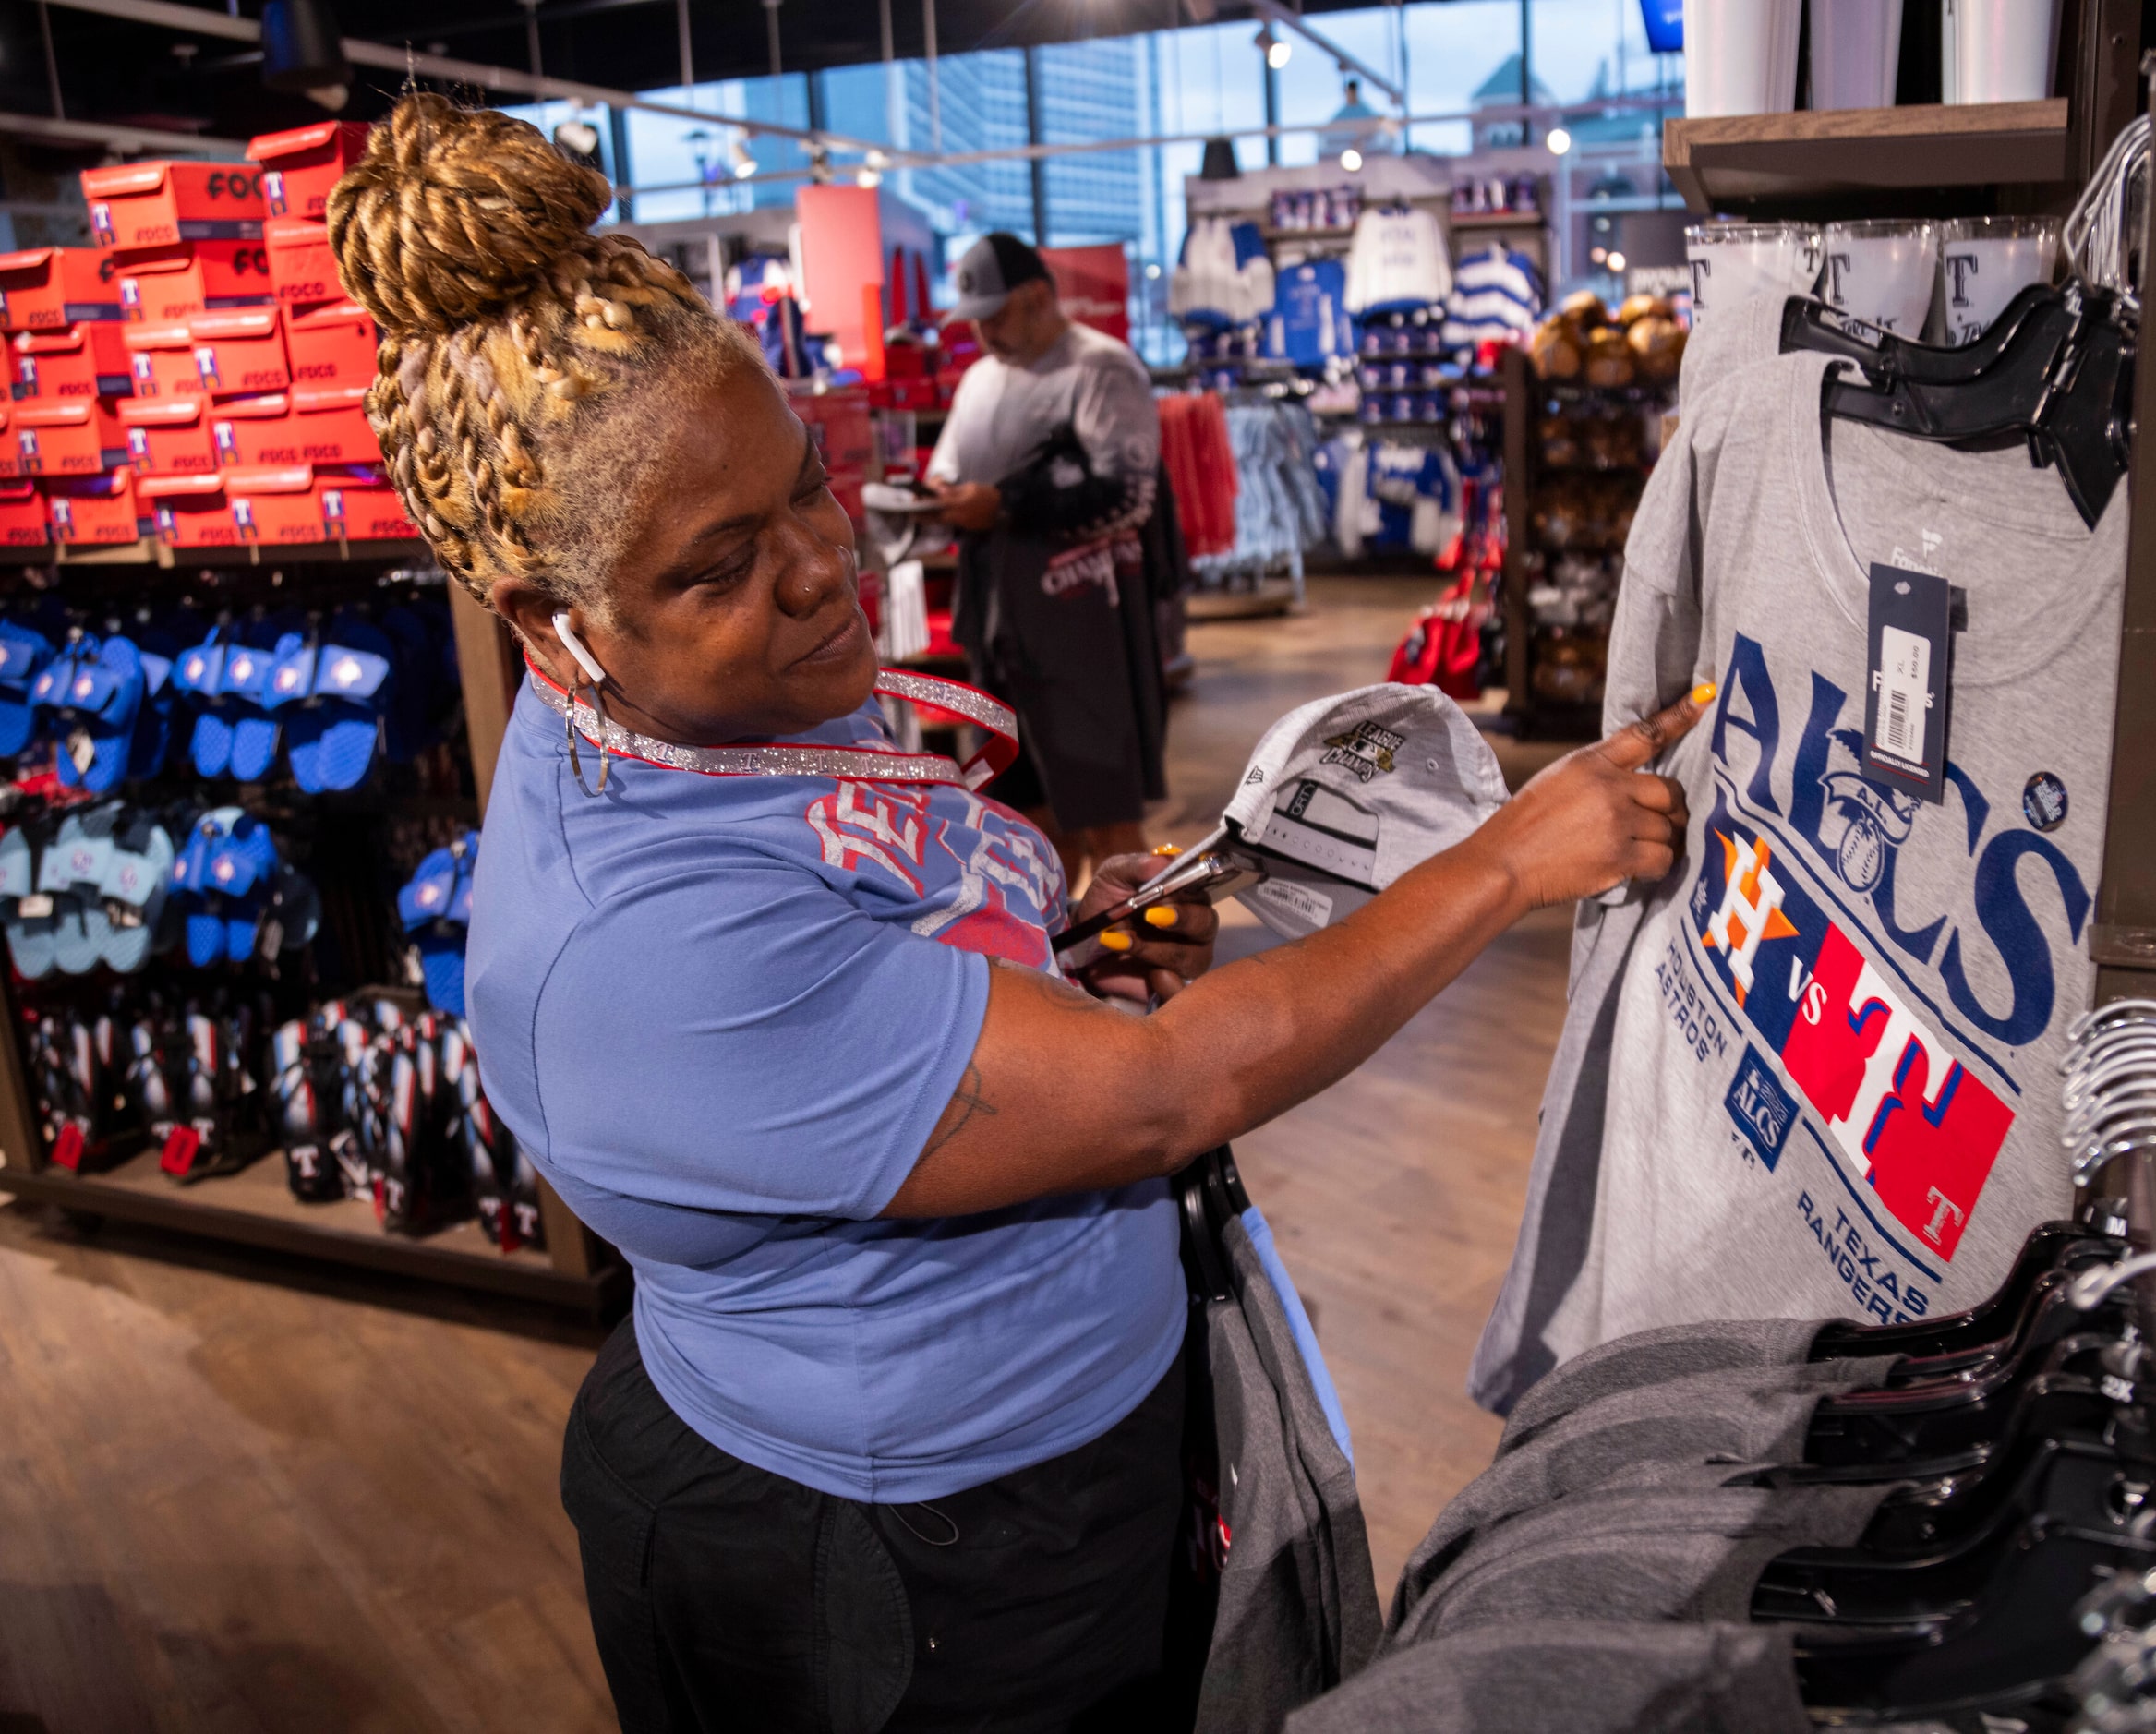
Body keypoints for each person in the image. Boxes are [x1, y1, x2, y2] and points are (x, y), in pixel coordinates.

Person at [329, 96, 1701, 1733]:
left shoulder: (705, 695)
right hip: (909, 1561)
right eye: (722, 563)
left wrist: (1042, 948)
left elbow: (874, 905)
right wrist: (1503, 864)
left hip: (1040, 1461)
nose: (822, 566)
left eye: (808, 490)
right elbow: (1165, 1093)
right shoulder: (643, 948)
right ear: (551, 628)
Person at [928, 232, 1164, 886]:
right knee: (1017, 810)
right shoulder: (979, 378)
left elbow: (1129, 496)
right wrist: (938, 501)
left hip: (1078, 622)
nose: (985, 332)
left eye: (996, 314)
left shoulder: (1100, 367)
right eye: (977, 318)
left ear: (1037, 297)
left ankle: (1143, 954)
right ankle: (1053, 945)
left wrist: (1003, 505)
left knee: (1105, 804)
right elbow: (952, 468)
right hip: (996, 622)